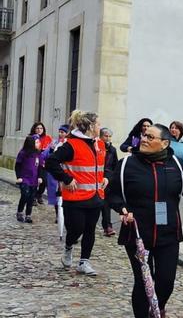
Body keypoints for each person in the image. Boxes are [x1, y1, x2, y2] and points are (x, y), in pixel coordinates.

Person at [106, 123, 183, 318]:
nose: (144, 139)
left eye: (150, 137)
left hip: (168, 233)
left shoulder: (177, 164)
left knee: (166, 281)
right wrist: (122, 209)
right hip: (137, 234)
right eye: (144, 135)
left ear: (164, 143)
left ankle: (158, 307)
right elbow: (111, 194)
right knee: (143, 281)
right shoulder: (127, 164)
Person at [45, 110, 108, 276]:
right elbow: (51, 162)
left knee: (90, 230)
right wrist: (66, 179)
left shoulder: (100, 144)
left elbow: (104, 165)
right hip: (75, 197)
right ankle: (68, 246)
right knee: (76, 229)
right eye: (98, 124)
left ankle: (84, 262)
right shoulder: (70, 145)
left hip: (96, 196)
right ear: (90, 126)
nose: (100, 127)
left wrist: (106, 177)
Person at [42, 125, 70, 222]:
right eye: (59, 132)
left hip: (66, 173)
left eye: (63, 132)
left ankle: (65, 214)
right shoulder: (54, 143)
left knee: (65, 195)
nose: (60, 134)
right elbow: (45, 155)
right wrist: (50, 150)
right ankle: (58, 214)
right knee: (56, 194)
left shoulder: (69, 144)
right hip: (55, 174)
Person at [15, 135, 43, 223]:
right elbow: (17, 166)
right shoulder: (23, 153)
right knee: (25, 195)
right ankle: (19, 212)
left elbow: (40, 167)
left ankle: (28, 215)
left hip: (34, 180)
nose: (39, 144)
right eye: (37, 142)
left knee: (31, 198)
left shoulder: (38, 154)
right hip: (24, 179)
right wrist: (19, 177)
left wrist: (40, 177)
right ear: (31, 143)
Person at [99, 128, 119, 237]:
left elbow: (115, 166)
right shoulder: (96, 147)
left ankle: (107, 226)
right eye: (106, 136)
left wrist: (112, 179)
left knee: (106, 204)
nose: (108, 138)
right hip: (96, 178)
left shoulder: (112, 150)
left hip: (108, 179)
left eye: (109, 136)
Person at [30, 122, 52, 204]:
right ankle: (33, 198)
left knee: (44, 181)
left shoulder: (48, 138)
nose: (39, 130)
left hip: (44, 163)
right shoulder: (31, 138)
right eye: (37, 128)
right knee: (35, 181)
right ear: (34, 129)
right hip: (34, 163)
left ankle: (39, 194)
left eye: (41, 128)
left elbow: (51, 150)